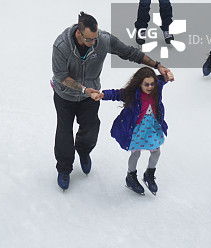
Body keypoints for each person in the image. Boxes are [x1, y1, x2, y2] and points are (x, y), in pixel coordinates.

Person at [52, 11, 173, 190]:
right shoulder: (61, 46)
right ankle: (64, 168)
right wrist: (84, 89)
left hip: (91, 96)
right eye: (89, 40)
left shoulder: (103, 40)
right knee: (64, 132)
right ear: (78, 33)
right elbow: (61, 76)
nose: (93, 43)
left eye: (95, 38)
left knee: (91, 128)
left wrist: (157, 65)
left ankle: (84, 152)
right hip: (65, 95)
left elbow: (129, 52)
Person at [95, 67, 168, 195]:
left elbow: (163, 79)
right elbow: (116, 94)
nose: (150, 87)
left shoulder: (157, 89)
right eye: (146, 84)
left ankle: (149, 174)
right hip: (137, 130)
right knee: (136, 154)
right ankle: (131, 176)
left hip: (152, 128)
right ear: (139, 84)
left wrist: (167, 74)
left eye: (152, 84)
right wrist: (103, 95)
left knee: (156, 152)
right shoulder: (133, 94)